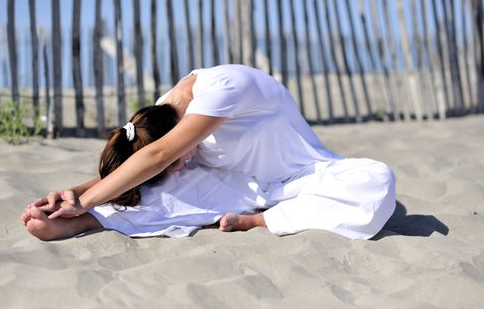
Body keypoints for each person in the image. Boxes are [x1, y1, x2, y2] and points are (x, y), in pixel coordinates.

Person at [23, 64, 396, 241]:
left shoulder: (221, 89)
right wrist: (76, 193)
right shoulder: (162, 113)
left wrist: (86, 199)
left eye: (177, 155)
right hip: (238, 186)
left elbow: (158, 157)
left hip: (304, 177)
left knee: (377, 182)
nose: (181, 158)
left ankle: (258, 220)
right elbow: (147, 164)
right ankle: (90, 222)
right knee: (165, 185)